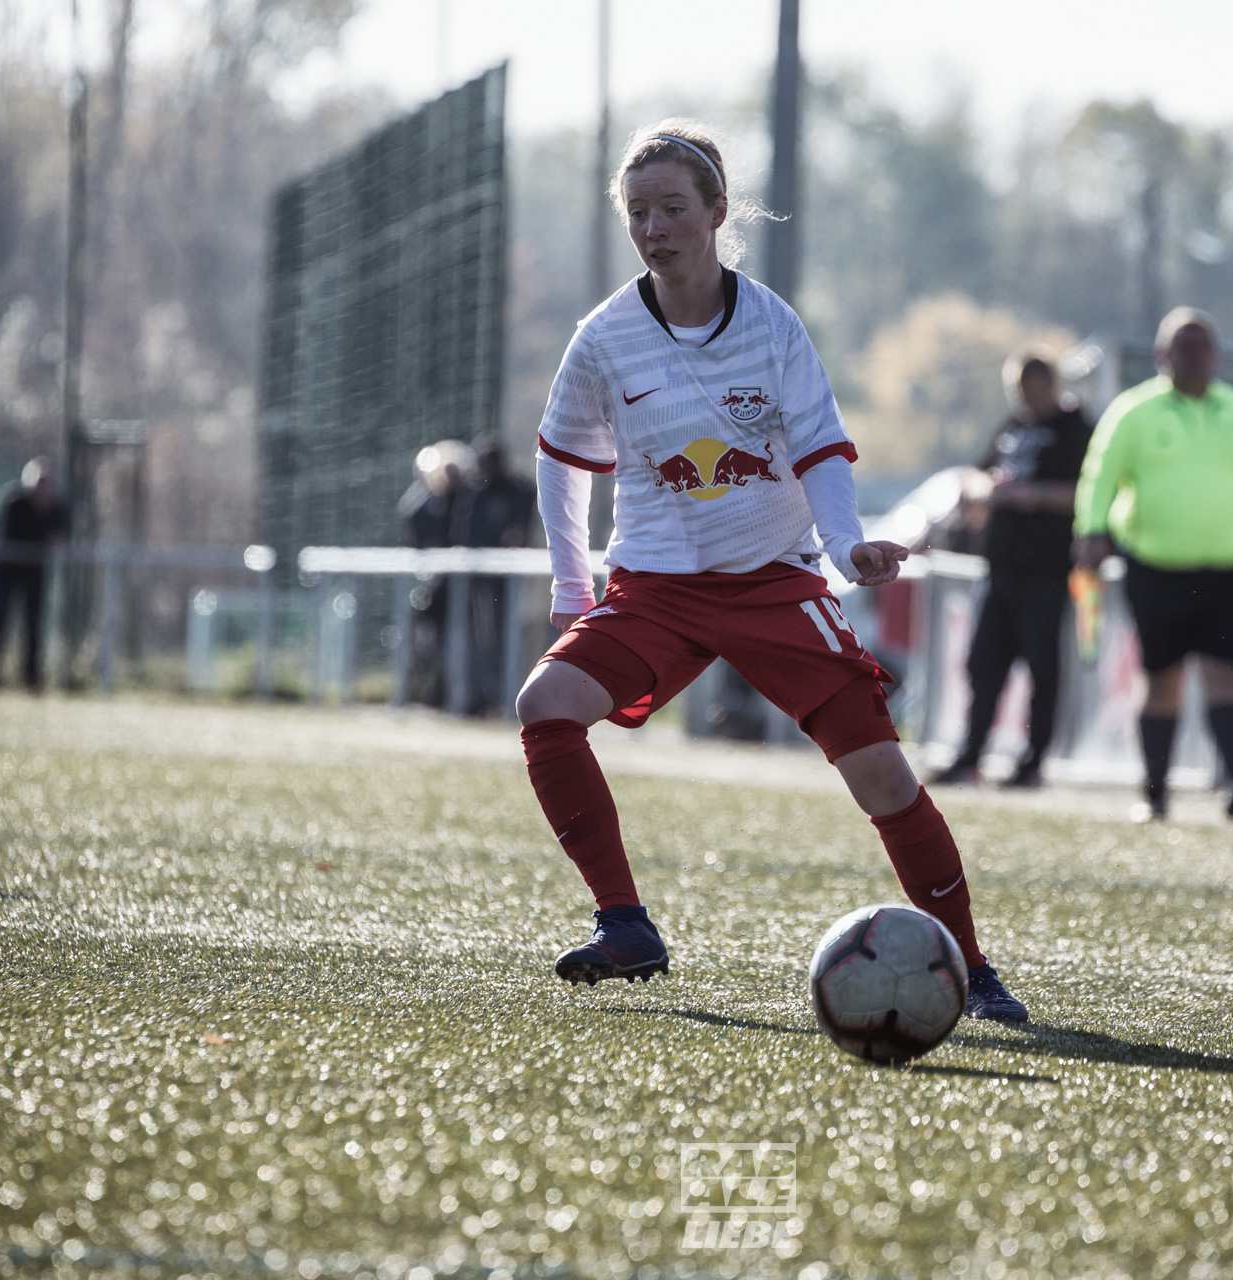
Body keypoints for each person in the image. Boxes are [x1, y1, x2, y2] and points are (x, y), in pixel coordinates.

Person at [515, 119, 1028, 1022]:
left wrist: (844, 548)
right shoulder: (602, 340)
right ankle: (625, 924)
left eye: (673, 208)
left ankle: (973, 972)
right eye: (638, 213)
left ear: (717, 212)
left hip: (773, 582)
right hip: (656, 590)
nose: (654, 227)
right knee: (546, 708)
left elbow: (822, 447)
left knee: (884, 781)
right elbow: (562, 462)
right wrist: (572, 588)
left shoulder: (772, 324)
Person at [1073, 307, 1233, 821]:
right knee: (1162, 678)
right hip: (1156, 568)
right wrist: (1092, 530)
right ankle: (1155, 790)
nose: (1194, 356)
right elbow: (1099, 476)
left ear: (1215, 355)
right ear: (1162, 355)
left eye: (1202, 347)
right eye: (1183, 347)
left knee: (1225, 674)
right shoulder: (1134, 412)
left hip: (1226, 569)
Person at [932, 345, 1093, 789]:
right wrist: (988, 489)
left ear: (1052, 386)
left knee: (1042, 669)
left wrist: (1034, 495)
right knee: (984, 666)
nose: (1029, 397)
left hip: (1047, 570)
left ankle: (1032, 762)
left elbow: (1090, 494)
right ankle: (971, 756)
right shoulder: (1014, 427)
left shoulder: (1076, 430)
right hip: (1000, 569)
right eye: (1022, 388)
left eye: (1036, 387)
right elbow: (974, 475)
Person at [399, 441, 476, 707]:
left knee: (457, 642)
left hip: (459, 588)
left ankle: (453, 694)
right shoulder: (422, 503)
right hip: (428, 588)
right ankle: (419, 692)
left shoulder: (464, 499)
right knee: (424, 644)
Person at [466, 436, 538, 714]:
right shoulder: (473, 492)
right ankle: (482, 694)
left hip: (512, 580)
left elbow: (520, 530)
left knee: (510, 633)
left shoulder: (520, 490)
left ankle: (510, 694)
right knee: (480, 636)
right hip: (478, 580)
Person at [0, 456, 65, 691]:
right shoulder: (15, 503)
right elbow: (7, 537)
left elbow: (56, 540)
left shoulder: (54, 507)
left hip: (34, 574)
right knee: (0, 621)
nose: (42, 487)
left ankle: (30, 677)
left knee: (33, 626)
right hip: (7, 572)